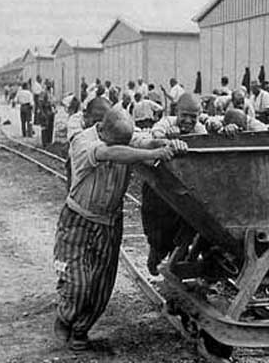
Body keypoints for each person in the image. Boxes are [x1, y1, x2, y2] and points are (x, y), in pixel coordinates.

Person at [53, 107, 187, 350]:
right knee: (78, 282)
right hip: (78, 220)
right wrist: (155, 152)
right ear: (102, 129)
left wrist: (165, 143)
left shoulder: (122, 135)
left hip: (109, 222)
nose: (126, 143)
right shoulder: (85, 141)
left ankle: (81, 332)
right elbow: (111, 152)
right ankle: (66, 317)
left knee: (101, 286)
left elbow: (142, 141)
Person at [142, 93, 207, 275]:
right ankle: (157, 249)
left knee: (188, 221)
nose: (187, 120)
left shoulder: (200, 130)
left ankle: (178, 253)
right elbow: (156, 133)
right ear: (176, 111)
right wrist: (168, 138)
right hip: (162, 189)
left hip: (188, 188)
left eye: (192, 117)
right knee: (157, 224)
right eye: (184, 115)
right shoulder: (166, 123)